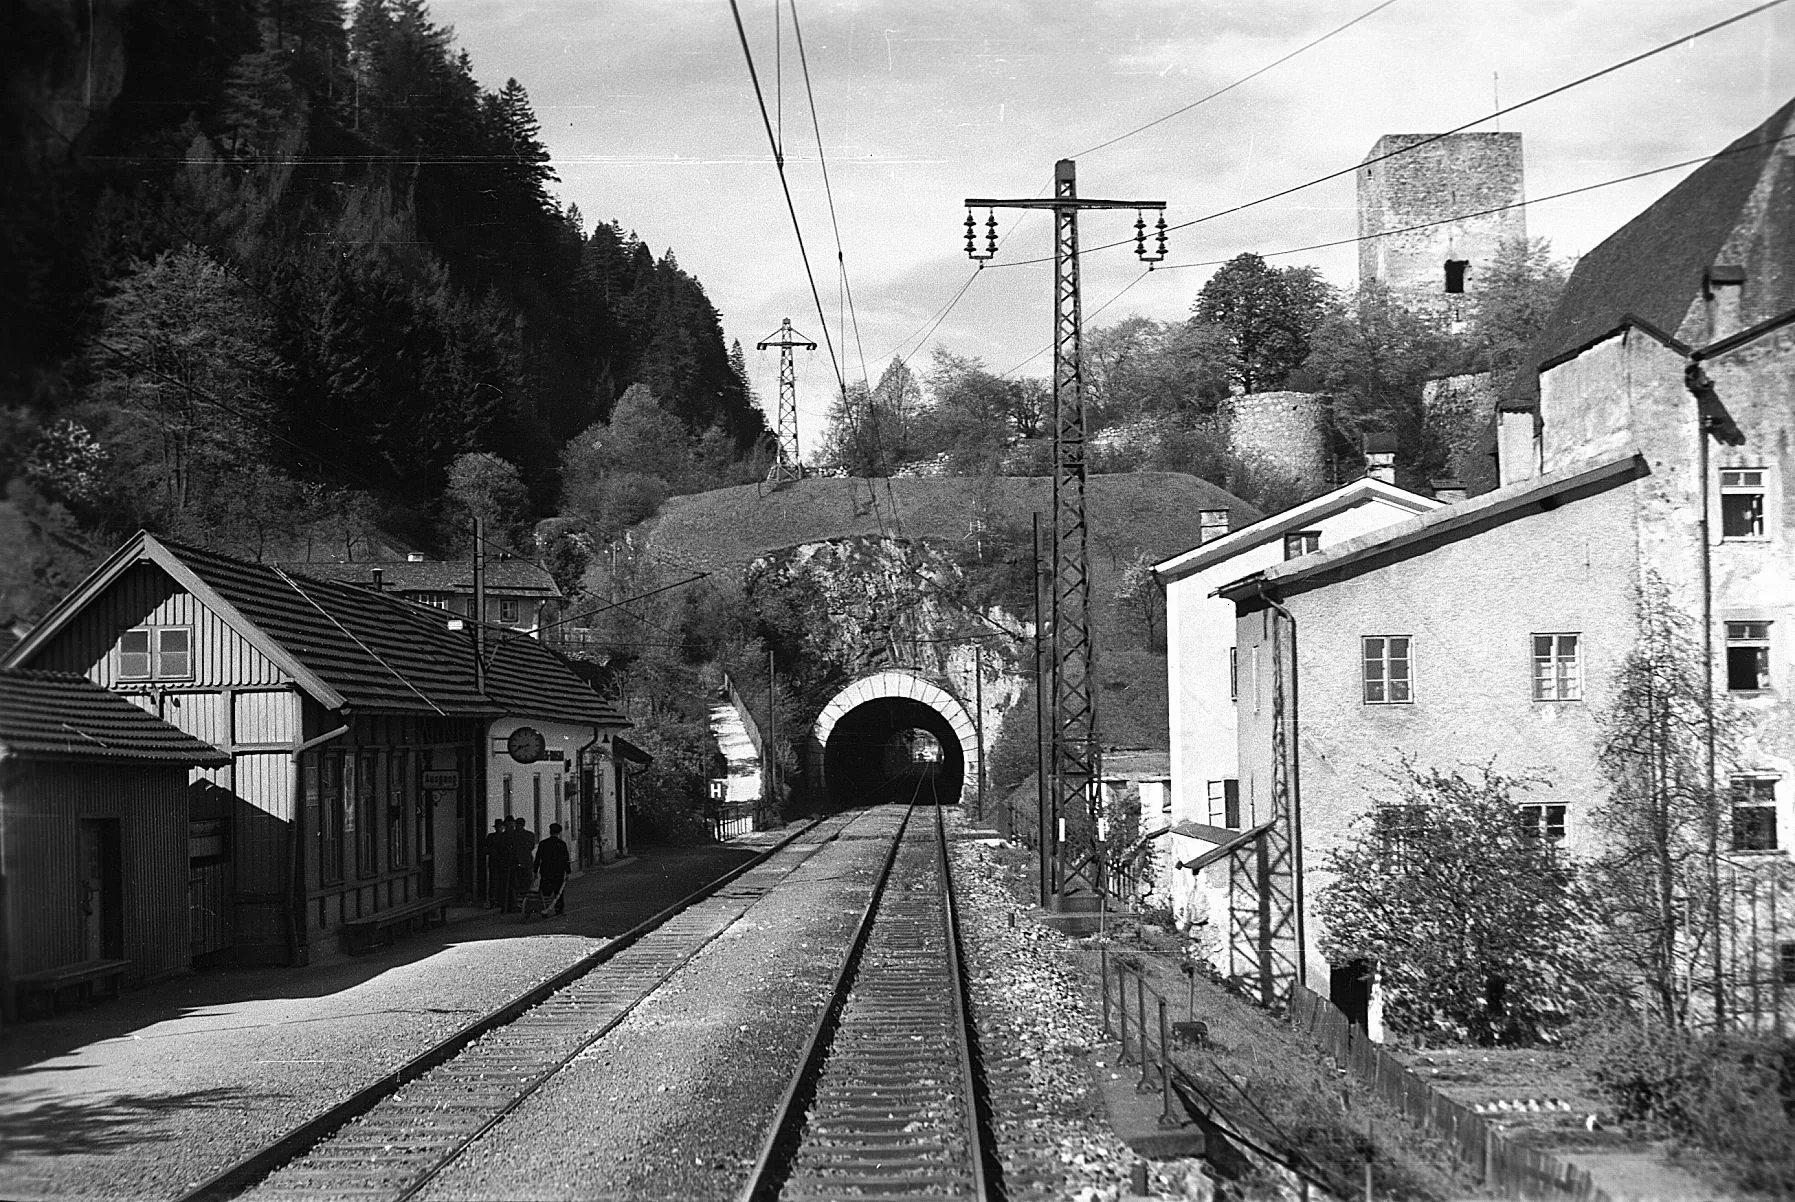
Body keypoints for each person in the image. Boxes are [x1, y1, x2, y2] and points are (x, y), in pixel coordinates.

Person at [534, 823, 571, 916]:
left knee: (545, 891)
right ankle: (559, 910)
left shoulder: (543, 844)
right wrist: (568, 871)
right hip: (558, 871)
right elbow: (566, 859)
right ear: (559, 833)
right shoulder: (561, 844)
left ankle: (544, 908)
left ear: (550, 832)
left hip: (546, 871)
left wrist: (535, 871)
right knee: (558, 891)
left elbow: (538, 858)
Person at [509, 815, 537, 909]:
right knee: (527, 882)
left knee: (516, 883)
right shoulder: (530, 835)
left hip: (515, 862)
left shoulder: (512, 835)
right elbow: (532, 846)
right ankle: (526, 901)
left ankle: (518, 902)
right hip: (527, 862)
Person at [482, 818, 508, 908]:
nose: (498, 828)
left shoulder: (500, 837)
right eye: (497, 827)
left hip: (500, 862)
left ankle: (498, 900)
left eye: (500, 827)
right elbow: (486, 849)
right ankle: (494, 900)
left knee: (499, 882)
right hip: (496, 862)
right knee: (494, 882)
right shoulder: (492, 837)